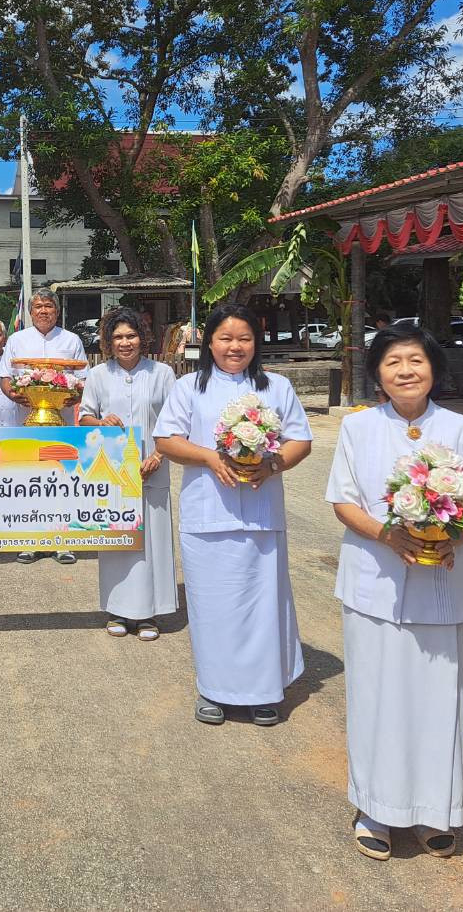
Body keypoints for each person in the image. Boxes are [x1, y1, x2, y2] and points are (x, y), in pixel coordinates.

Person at [326, 323, 463, 861]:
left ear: (433, 368)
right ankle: (374, 807)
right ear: (378, 373)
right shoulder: (358, 429)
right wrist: (386, 533)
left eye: (415, 360)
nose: (405, 370)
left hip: (445, 583)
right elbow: (343, 501)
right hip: (374, 583)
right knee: (377, 696)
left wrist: (449, 541)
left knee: (440, 698)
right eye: (393, 361)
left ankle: (435, 810)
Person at [154, 304, 313, 728]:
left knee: (262, 603)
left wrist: (272, 465)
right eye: (225, 338)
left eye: (243, 338)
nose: (234, 346)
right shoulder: (190, 387)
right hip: (208, 513)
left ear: (256, 342)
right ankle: (214, 690)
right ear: (208, 342)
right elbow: (166, 439)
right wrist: (209, 456)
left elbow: (300, 439)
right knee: (212, 606)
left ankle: (264, 692)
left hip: (261, 513)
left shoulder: (276, 387)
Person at [79, 308, 178, 640]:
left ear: (142, 338)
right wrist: (100, 421)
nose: (125, 342)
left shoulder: (162, 373)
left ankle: (150, 613)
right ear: (109, 340)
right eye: (118, 337)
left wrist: (160, 454)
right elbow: (83, 416)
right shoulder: (98, 375)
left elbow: (175, 422)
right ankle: (117, 610)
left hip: (153, 469)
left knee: (152, 542)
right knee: (118, 541)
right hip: (114, 475)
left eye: (131, 336)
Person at [0, 288, 89, 565]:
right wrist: (16, 394)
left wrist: (70, 395)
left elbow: (82, 379)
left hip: (59, 422)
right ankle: (30, 541)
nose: (43, 311)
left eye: (48, 306)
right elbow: (5, 377)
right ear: (30, 311)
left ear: (57, 310)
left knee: (61, 480)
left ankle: (63, 542)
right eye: (37, 306)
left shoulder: (71, 340)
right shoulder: (16, 340)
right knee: (28, 481)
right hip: (26, 421)